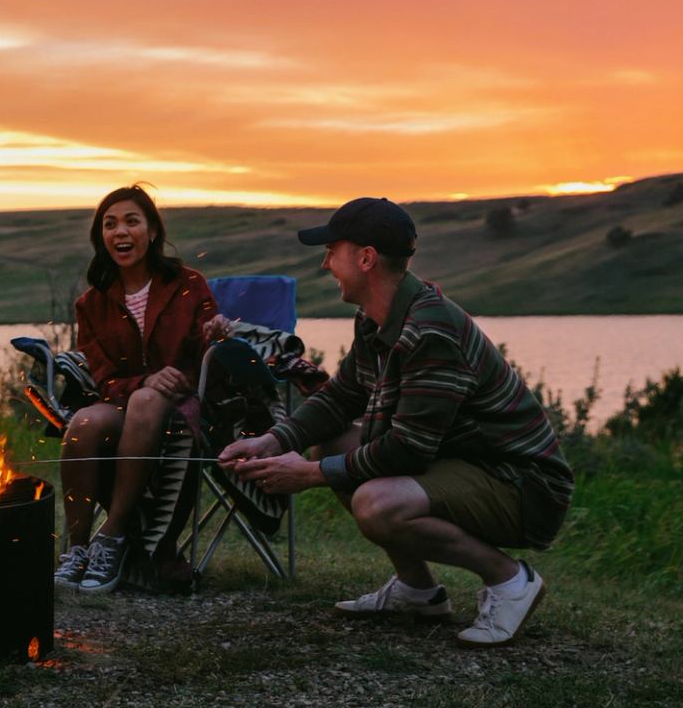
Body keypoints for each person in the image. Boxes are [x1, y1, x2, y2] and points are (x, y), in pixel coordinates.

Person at [219, 198, 574, 646]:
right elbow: (342, 396)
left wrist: (308, 476)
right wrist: (272, 441)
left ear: (366, 258)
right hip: (465, 463)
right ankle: (417, 591)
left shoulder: (429, 331)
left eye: (333, 250)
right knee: (329, 445)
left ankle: (510, 581)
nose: (326, 262)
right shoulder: (375, 318)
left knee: (377, 502)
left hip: (521, 484)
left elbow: (407, 449)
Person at [53, 185, 220, 595]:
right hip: (123, 398)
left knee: (148, 400)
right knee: (85, 421)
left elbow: (207, 354)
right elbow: (103, 378)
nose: (120, 232)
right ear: (101, 237)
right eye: (110, 225)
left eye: (131, 221)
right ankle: (76, 548)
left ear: (152, 231)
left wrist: (216, 336)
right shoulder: (91, 304)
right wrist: (143, 380)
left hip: (180, 404)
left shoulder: (188, 284)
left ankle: (111, 537)